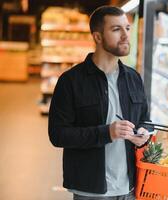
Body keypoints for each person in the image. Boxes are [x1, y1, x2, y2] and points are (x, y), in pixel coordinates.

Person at [48, 6, 151, 200]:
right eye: (116, 29)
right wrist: (107, 132)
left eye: (127, 28)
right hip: (91, 190)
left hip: (129, 188)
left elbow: (145, 120)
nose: (125, 35)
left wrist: (144, 133)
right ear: (97, 37)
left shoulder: (134, 78)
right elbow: (58, 135)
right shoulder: (71, 81)